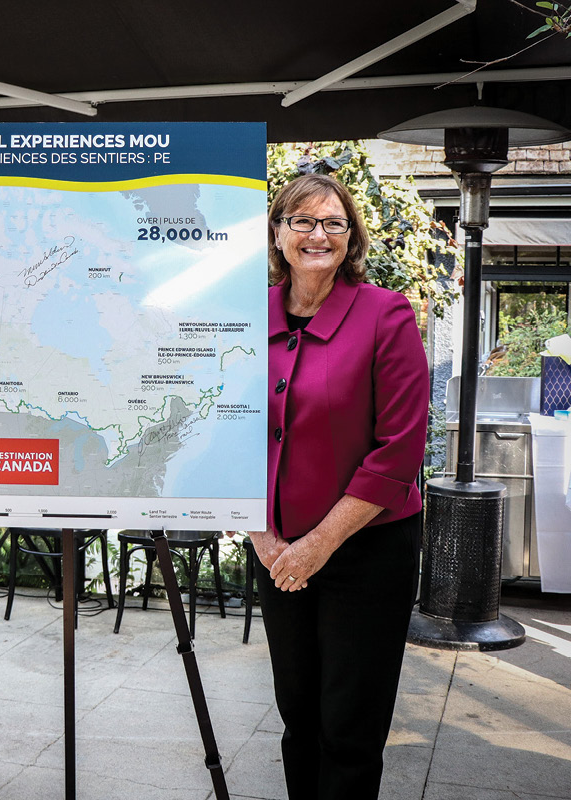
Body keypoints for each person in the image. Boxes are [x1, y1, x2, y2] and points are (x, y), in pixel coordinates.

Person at [256, 173, 428, 800]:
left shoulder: (386, 314)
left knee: (349, 728)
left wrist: (317, 544)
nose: (317, 234)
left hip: (367, 549)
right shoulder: (245, 320)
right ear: (278, 234)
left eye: (333, 222)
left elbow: (400, 449)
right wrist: (265, 538)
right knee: (298, 715)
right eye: (302, 221)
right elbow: (220, 436)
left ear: (350, 235)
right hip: (276, 549)